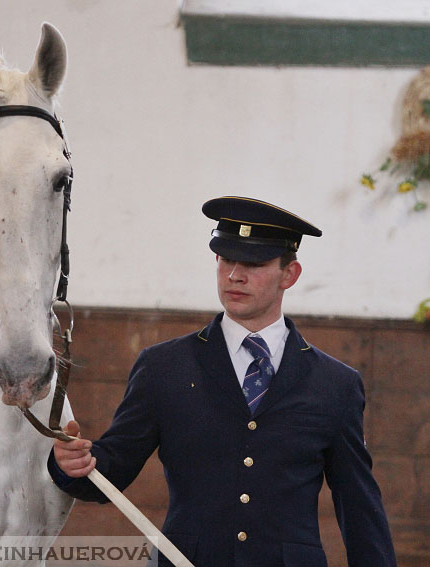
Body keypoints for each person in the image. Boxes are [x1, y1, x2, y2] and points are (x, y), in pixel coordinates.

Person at [48, 196, 397, 567]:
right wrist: (72, 464)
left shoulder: (336, 384)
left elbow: (359, 506)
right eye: (227, 259)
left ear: (289, 274)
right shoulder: (164, 367)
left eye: (254, 263)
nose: (235, 275)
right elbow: (111, 470)